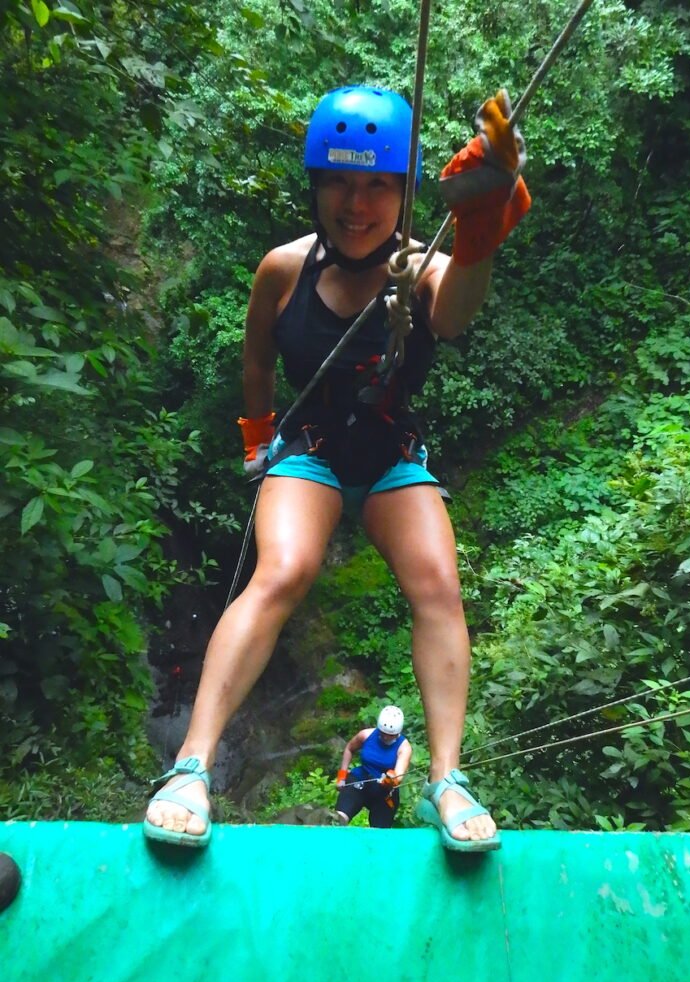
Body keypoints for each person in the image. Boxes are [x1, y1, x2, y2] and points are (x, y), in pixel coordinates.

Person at [143, 84, 531, 853]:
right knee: (282, 571)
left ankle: (446, 779)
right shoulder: (281, 269)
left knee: (438, 585)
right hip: (313, 450)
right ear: (318, 186)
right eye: (342, 184)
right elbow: (257, 361)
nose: (358, 204)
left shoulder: (421, 268)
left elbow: (452, 316)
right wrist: (258, 443)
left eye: (378, 185)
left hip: (389, 456)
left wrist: (482, 229)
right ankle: (191, 766)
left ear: (404, 192)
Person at [335, 705, 413, 828]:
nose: (386, 737)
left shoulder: (404, 747)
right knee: (339, 818)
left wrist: (389, 781)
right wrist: (342, 776)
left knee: (379, 832)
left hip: (384, 792)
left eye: (390, 735)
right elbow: (349, 749)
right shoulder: (366, 735)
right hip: (360, 780)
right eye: (383, 733)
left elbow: (398, 775)